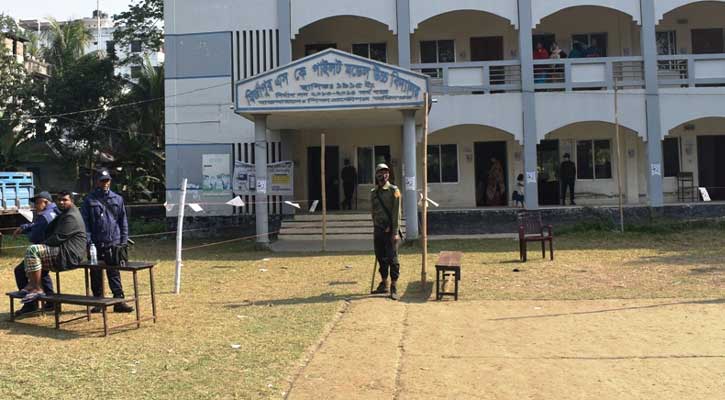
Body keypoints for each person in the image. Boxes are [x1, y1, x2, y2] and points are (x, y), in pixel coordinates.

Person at [17, 191, 86, 304]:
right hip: (63, 249)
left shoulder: (71, 216)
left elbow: (58, 238)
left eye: (65, 200)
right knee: (31, 258)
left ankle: (36, 288)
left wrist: (42, 244)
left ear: (72, 201)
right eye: (59, 200)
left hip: (70, 254)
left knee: (33, 250)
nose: (61, 202)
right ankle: (35, 289)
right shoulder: (64, 213)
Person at [81, 168, 133, 313]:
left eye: (107, 180)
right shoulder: (89, 200)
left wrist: (123, 241)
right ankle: (98, 301)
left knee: (114, 272)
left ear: (110, 181)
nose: (105, 183)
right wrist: (88, 241)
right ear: (97, 182)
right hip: (95, 243)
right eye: (102, 181)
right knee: (95, 273)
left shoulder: (118, 199)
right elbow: (85, 223)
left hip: (113, 242)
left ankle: (119, 301)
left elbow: (123, 222)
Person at [11, 191, 59, 316]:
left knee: (20, 271)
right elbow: (36, 225)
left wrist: (27, 232)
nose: (35, 206)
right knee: (42, 273)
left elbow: (35, 236)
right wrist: (24, 227)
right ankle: (51, 302)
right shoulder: (52, 211)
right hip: (52, 249)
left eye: (37, 203)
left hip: (45, 251)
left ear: (45, 202)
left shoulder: (46, 215)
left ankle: (30, 305)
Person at [370, 163, 402, 300]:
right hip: (378, 230)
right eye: (380, 172)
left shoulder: (394, 190)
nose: (383, 175)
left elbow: (397, 213)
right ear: (376, 175)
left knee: (392, 258)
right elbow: (373, 211)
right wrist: (376, 226)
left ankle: (394, 286)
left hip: (390, 231)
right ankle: (384, 283)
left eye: (385, 172)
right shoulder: (373, 192)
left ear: (388, 175)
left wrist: (395, 231)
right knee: (380, 257)